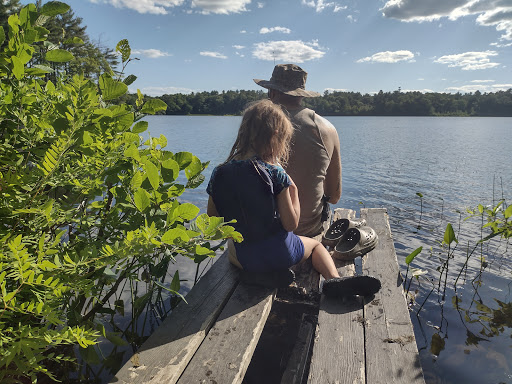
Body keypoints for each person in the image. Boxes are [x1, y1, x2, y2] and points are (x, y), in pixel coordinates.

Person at [206, 99, 348, 294]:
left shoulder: (219, 173)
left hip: (247, 258)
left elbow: (213, 219)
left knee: (233, 251)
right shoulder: (276, 173)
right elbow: (291, 224)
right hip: (282, 253)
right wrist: (294, 191)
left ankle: (259, 275)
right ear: (275, 136)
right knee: (315, 247)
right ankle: (334, 280)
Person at [254, 64, 342, 237]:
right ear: (301, 95)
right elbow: (333, 196)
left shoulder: (256, 127)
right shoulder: (327, 128)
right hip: (308, 232)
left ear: (272, 93)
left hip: (260, 236)